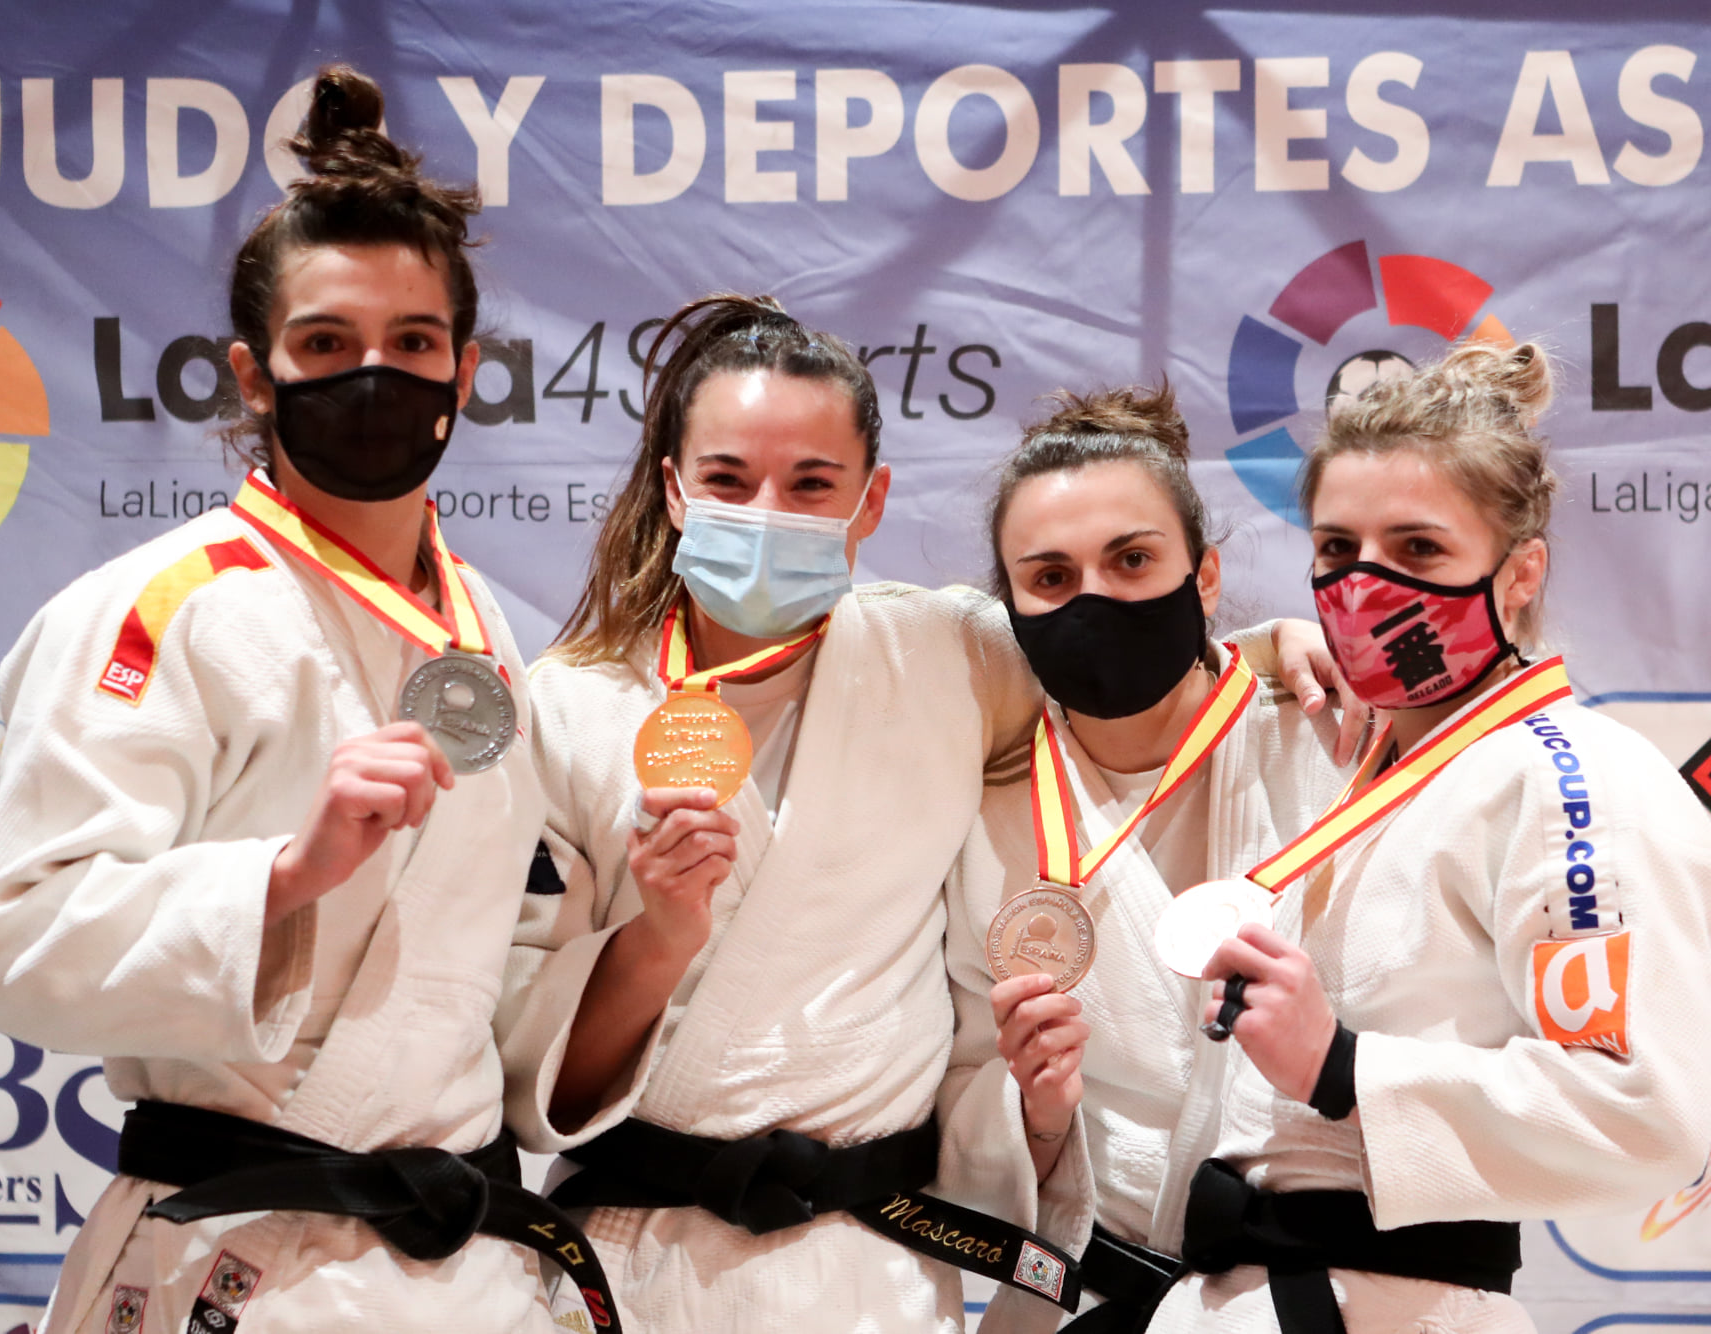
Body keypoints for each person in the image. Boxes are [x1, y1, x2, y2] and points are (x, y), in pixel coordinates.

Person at [495, 293, 1358, 1333]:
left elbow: (1107, 652)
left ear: (870, 500)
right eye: (728, 479)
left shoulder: (945, 653)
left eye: (812, 483)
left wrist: (1265, 648)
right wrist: (659, 935)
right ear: (676, 489)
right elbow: (540, 1080)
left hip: (867, 1274)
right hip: (634, 1257)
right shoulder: (565, 703)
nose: (768, 509)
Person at [0, 67, 622, 1334]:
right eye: (325, 345)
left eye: (412, 344)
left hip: (460, 1262)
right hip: (240, 1256)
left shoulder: (484, 629)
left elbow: (488, 965)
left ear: (465, 371)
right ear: (250, 377)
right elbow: (13, 943)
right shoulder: (163, 606)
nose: (374, 374)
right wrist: (281, 875)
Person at [1151, 342, 1711, 1334]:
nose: (1365, 586)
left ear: (1518, 572)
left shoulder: (1570, 776)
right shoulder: (1367, 763)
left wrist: (1340, 1064)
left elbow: (1642, 1107)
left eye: (1416, 550)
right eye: (1336, 550)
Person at [941, 386, 1349, 1333]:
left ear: (1204, 578)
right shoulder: (985, 811)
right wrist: (1037, 1119)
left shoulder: (1329, 746)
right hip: (1084, 1298)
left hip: (1312, 1292)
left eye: (1132, 560)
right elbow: (959, 1103)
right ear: (1012, 607)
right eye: (1049, 577)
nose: (1094, 598)